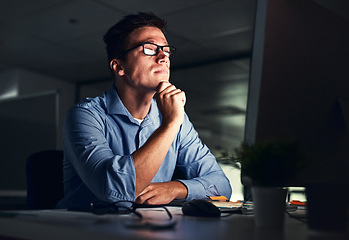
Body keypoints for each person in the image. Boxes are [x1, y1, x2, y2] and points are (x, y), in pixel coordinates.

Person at [56, 12, 231, 210]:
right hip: (84, 230)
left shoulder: (176, 117)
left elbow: (222, 186)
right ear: (119, 66)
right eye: (149, 49)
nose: (163, 56)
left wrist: (175, 188)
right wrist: (170, 125)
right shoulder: (85, 116)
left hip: (147, 228)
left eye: (166, 50)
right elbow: (115, 190)